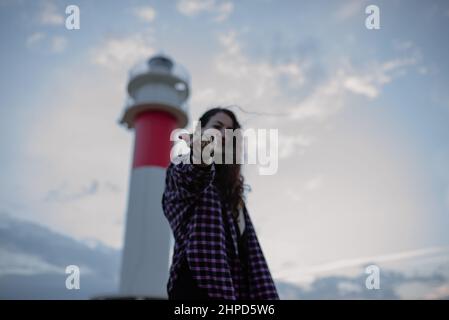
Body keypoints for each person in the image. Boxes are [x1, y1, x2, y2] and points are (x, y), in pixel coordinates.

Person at [162, 107, 279, 300]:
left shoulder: (234, 196)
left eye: (230, 130)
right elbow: (192, 175)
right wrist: (201, 154)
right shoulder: (181, 169)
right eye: (217, 126)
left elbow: (250, 260)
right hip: (197, 292)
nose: (224, 134)